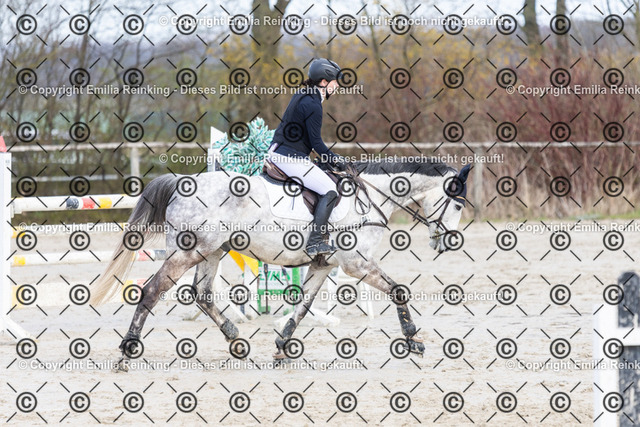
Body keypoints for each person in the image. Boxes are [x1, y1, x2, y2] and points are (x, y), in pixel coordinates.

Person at [268, 58, 346, 257]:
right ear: (324, 82)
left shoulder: (303, 94)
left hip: (280, 151)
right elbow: (316, 143)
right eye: (335, 82)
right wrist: (335, 160)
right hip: (289, 158)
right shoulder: (313, 105)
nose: (337, 86)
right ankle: (315, 242)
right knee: (330, 190)